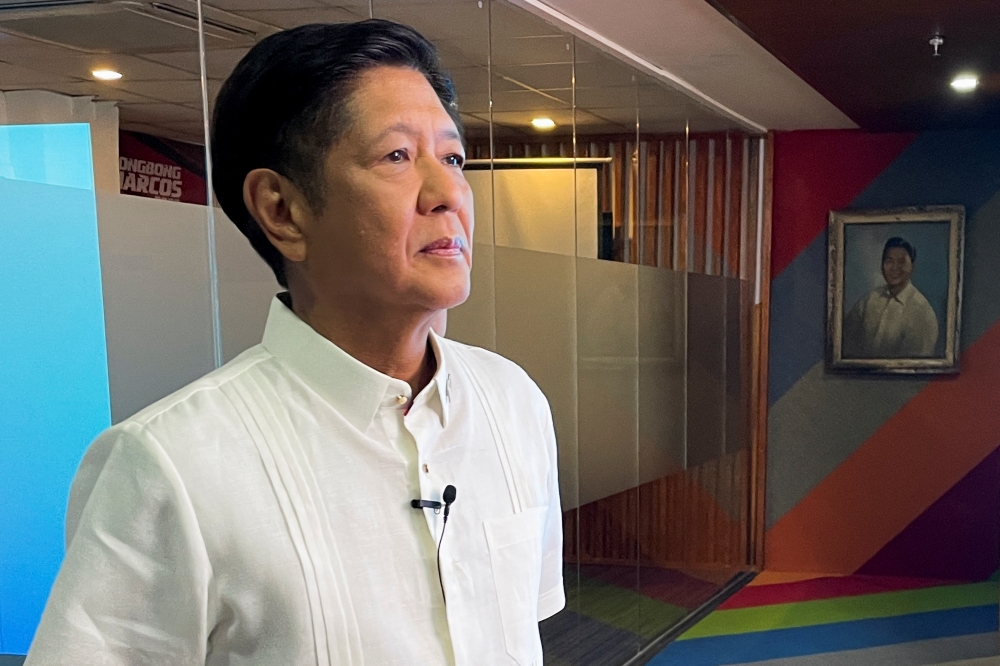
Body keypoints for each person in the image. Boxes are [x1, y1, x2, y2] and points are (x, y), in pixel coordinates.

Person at [26, 20, 564, 666]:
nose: (448, 193)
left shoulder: (513, 405)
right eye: (396, 157)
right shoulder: (168, 464)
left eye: (451, 158)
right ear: (281, 210)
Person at [842, 236, 939, 358]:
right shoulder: (870, 299)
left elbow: (916, 365)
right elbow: (844, 340)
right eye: (889, 261)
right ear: (882, 265)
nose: (894, 268)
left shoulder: (922, 311)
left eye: (901, 262)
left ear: (912, 267)